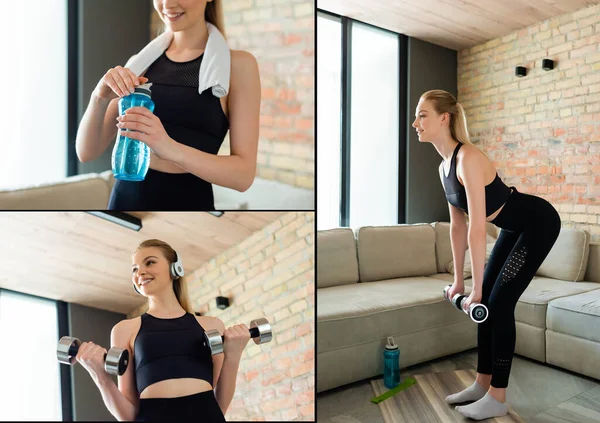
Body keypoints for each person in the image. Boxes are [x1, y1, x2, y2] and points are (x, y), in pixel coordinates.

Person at [412, 89, 561, 420]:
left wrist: (477, 287)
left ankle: (498, 396)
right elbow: (456, 227)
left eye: (422, 115)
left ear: (443, 118)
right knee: (485, 305)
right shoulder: (444, 167)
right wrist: (458, 283)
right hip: (514, 227)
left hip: (539, 223)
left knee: (498, 302)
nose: (415, 123)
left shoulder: (468, 159)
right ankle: (482, 383)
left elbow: (477, 228)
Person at [75, 0, 261, 211]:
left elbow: (243, 176)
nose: (168, 4)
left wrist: (169, 148)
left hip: (189, 206)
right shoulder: (139, 64)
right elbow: (86, 152)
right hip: (125, 201)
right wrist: (98, 97)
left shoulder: (237, 66)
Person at [74, 239, 251, 421]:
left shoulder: (211, 325)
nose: (140, 272)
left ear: (175, 269)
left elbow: (219, 405)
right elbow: (128, 416)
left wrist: (234, 354)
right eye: (134, 269)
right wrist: (100, 376)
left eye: (149, 262)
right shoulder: (124, 330)